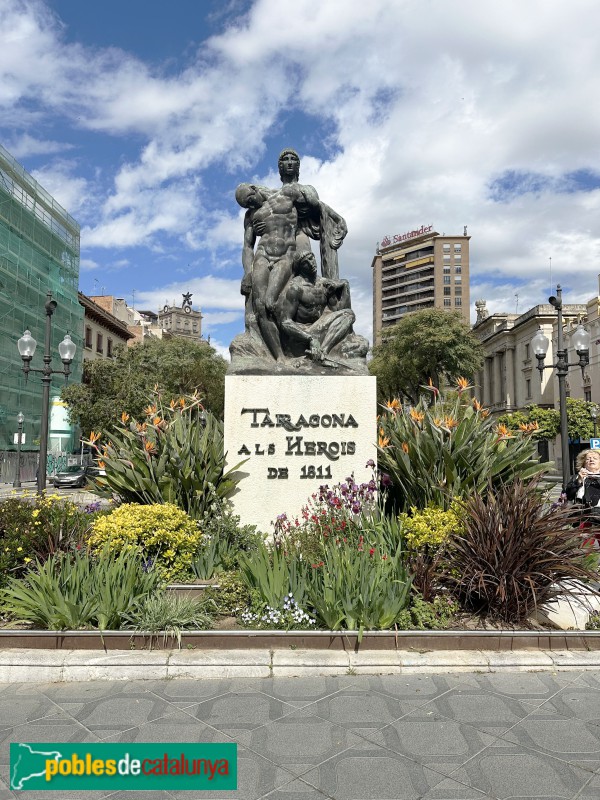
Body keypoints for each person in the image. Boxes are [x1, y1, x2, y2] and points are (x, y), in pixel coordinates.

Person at [235, 170, 320, 361]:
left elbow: (313, 200)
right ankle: (279, 358)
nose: (250, 204)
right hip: (263, 255)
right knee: (260, 306)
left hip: (285, 255)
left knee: (271, 303)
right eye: (246, 204)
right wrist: (247, 272)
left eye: (250, 198)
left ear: (254, 188)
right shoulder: (251, 215)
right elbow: (248, 247)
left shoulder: (286, 194)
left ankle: (297, 346)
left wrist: (305, 192)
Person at [276, 250, 355, 365]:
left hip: (320, 330)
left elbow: (338, 312)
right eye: (305, 262)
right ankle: (320, 354)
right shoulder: (296, 287)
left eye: (311, 258)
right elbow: (285, 322)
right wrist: (309, 338)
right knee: (348, 315)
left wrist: (344, 285)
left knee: (349, 315)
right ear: (300, 267)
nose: (311, 263)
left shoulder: (324, 284)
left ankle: (322, 352)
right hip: (302, 334)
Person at [565, 449, 600, 541]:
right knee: (585, 548)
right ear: (584, 463)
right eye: (588, 459)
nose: (591, 460)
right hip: (584, 518)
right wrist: (579, 480)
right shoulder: (577, 478)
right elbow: (569, 495)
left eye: (595, 458)